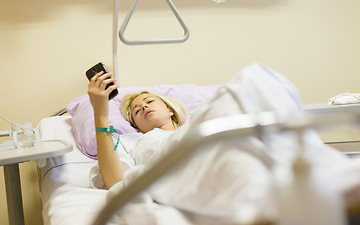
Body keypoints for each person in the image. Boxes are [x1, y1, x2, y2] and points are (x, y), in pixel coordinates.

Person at [88, 65, 353, 224]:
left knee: (256, 77)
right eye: (135, 111)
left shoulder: (206, 122)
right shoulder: (135, 142)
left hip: (226, 140)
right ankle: (279, 203)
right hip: (184, 165)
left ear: (170, 110)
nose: (143, 107)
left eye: (149, 101)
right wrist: (100, 113)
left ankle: (314, 181)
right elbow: (115, 180)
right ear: (136, 126)